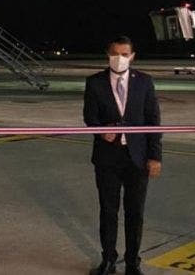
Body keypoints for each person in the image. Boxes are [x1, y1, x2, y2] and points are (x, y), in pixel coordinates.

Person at [83, 36, 162, 275]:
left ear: (133, 56)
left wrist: (155, 157)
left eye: (125, 54)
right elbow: (89, 116)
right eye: (115, 53)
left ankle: (132, 262)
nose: (120, 58)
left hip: (137, 157)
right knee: (108, 210)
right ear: (108, 55)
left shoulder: (144, 82)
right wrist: (100, 131)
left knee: (135, 212)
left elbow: (153, 121)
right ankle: (108, 260)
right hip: (108, 157)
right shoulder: (95, 82)